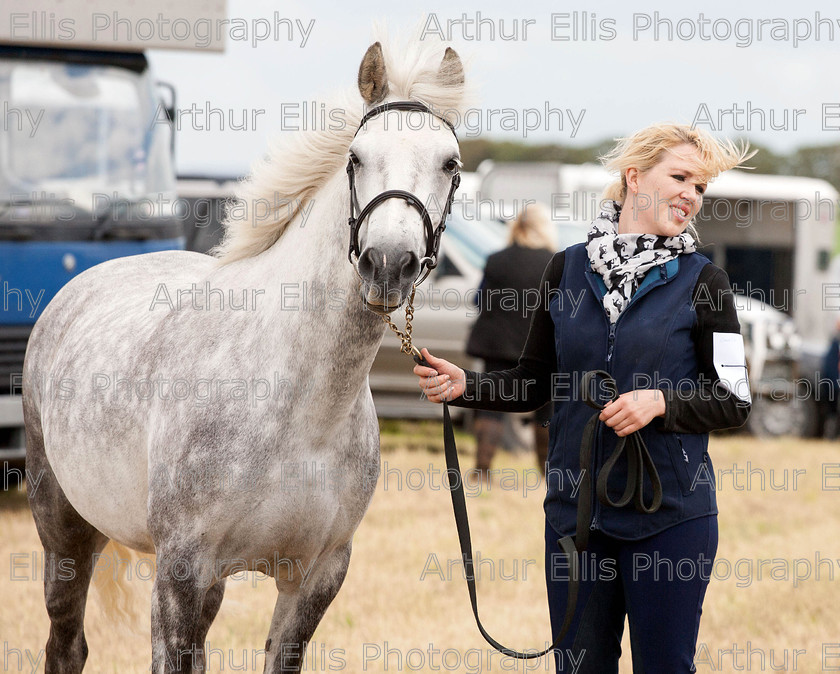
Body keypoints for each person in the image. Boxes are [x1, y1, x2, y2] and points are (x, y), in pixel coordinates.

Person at [412, 122, 754, 673]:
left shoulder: (704, 282)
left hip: (669, 518)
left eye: (701, 186)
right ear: (634, 176)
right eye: (682, 177)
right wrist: (467, 385)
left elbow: (734, 399)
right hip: (575, 516)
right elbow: (533, 380)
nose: (692, 194)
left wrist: (661, 402)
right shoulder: (564, 269)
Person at [466, 202, 555, 477]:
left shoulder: (496, 259)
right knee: (547, 410)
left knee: (492, 404)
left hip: (498, 345)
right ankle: (548, 474)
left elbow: (479, 299)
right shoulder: (554, 261)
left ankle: (482, 470)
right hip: (541, 347)